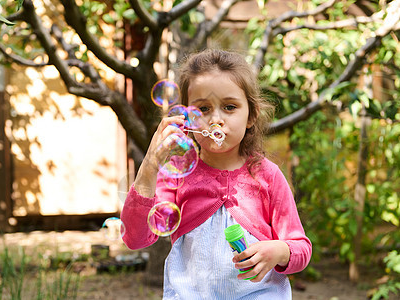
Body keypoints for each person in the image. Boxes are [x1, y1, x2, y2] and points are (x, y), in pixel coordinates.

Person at [120, 49, 312, 299]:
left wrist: (280, 251)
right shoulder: (175, 176)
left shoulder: (267, 175)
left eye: (229, 107)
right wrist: (149, 165)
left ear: (251, 115)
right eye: (203, 109)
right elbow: (135, 239)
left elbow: (301, 248)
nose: (216, 120)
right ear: (186, 117)